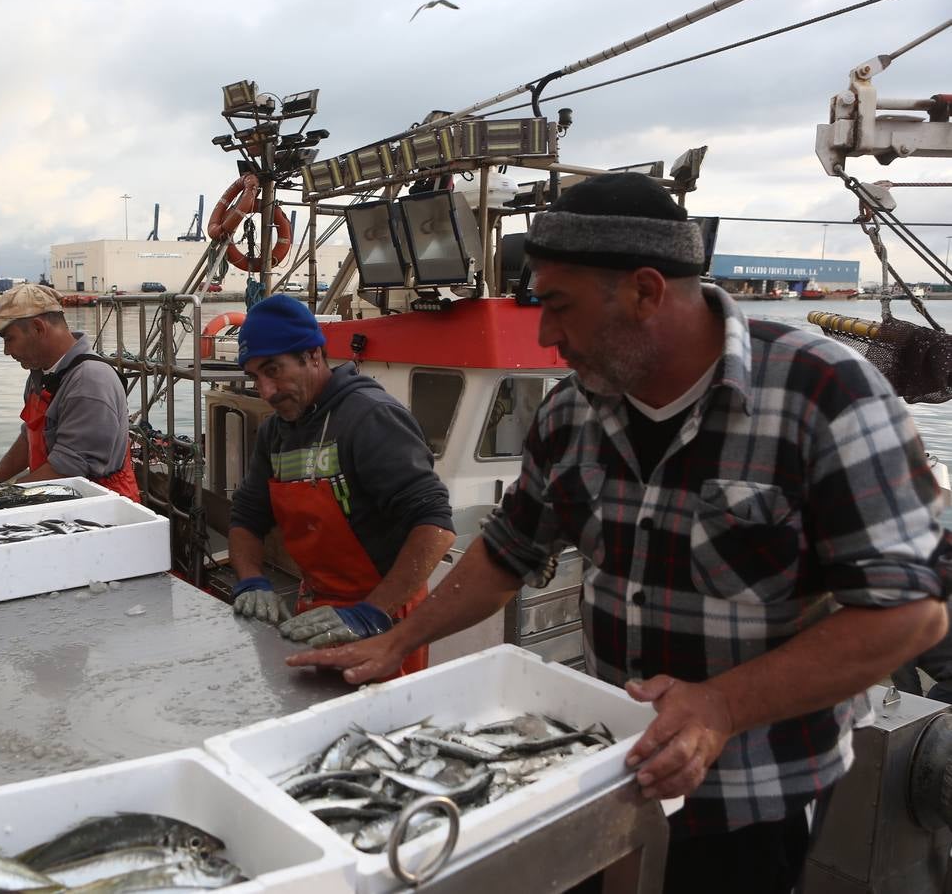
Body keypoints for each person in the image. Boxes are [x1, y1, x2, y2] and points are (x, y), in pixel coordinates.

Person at [288, 173, 949, 893]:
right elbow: (507, 554)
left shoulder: (824, 393)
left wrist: (722, 705)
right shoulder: (572, 412)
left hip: (754, 792)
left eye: (559, 306)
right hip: (611, 764)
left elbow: (909, 614)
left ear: (645, 290)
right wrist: (395, 638)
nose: (545, 334)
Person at [228, 295, 455, 676]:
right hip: (315, 608)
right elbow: (247, 516)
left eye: (274, 370)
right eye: (255, 377)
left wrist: (371, 613)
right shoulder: (275, 433)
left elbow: (436, 526)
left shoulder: (370, 418)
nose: (266, 391)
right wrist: (251, 580)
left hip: (385, 616)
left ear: (314, 356)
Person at [0, 283, 140, 500]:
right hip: (53, 496)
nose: (7, 352)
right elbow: (30, 436)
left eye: (9, 339)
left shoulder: (89, 381)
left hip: (98, 506)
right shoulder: (41, 373)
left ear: (38, 328)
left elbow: (70, 467)